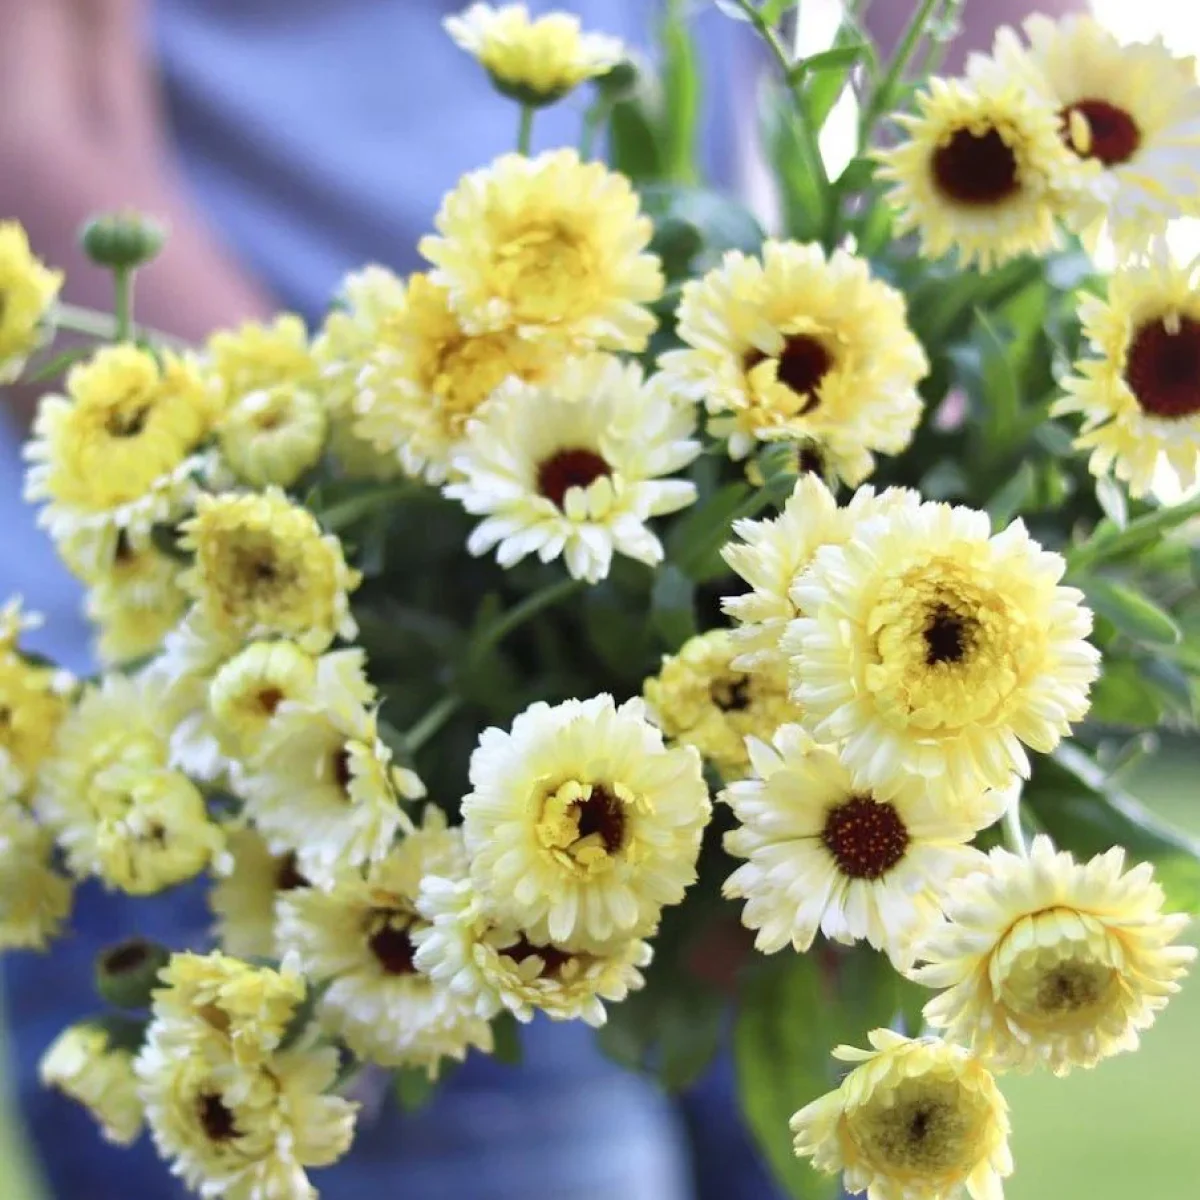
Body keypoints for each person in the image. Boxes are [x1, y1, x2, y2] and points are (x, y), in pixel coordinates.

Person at [0, 2, 1087, 1197]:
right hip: (271, 740)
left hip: (726, 559)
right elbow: (31, 118)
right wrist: (349, 508)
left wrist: (929, 413)